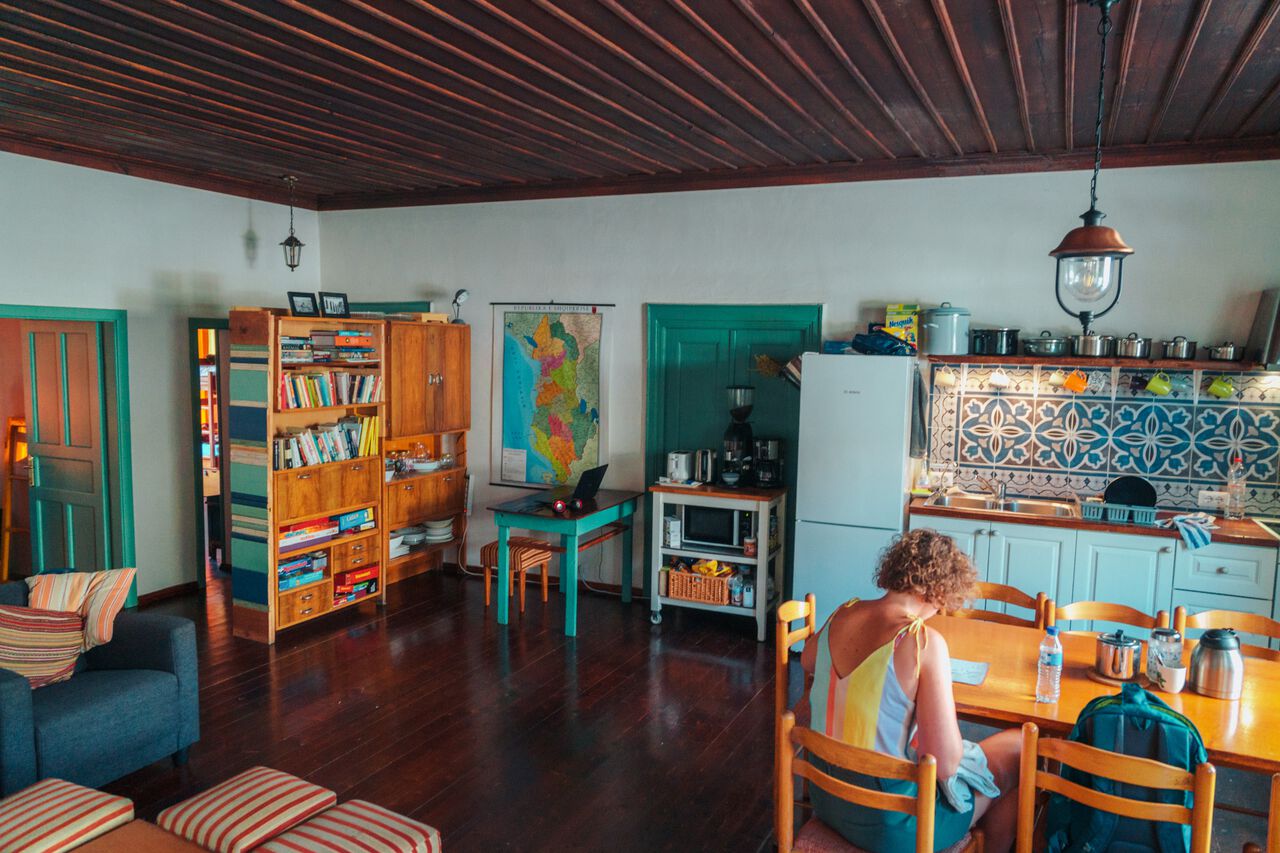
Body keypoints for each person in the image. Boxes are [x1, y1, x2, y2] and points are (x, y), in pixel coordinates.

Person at [798, 528, 1021, 853]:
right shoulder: (922, 642)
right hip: (892, 827)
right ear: (940, 590)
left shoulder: (843, 612)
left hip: (828, 801)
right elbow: (944, 765)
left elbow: (807, 659)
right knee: (1018, 748)